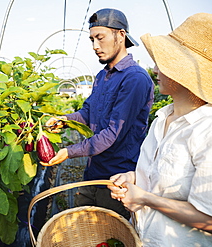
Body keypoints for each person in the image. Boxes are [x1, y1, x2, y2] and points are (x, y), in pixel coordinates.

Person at [108, 13, 212, 246]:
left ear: (184, 72)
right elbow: (163, 176)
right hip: (146, 238)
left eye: (164, 62)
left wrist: (145, 198)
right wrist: (134, 178)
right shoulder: (161, 120)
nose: (155, 68)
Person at [43, 8, 154, 220]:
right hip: (93, 172)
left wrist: (69, 151)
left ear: (120, 35)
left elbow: (113, 133)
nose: (95, 46)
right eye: (92, 39)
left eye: (100, 38)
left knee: (110, 234)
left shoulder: (135, 79)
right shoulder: (102, 76)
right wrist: (63, 120)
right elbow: (87, 113)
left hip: (117, 180)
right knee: (84, 228)